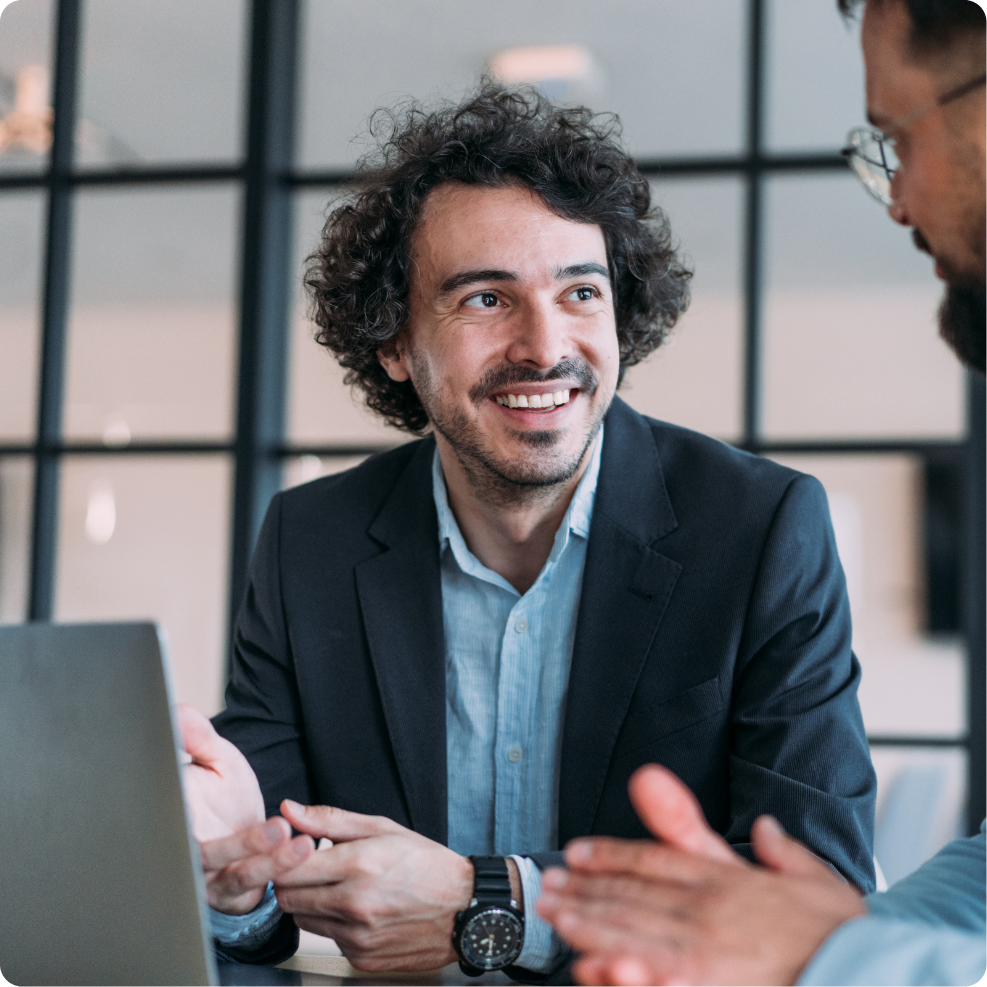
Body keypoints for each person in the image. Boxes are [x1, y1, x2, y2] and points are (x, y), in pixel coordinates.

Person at [179, 84, 877, 980]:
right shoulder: (308, 537)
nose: (545, 346)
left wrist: (492, 901)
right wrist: (236, 875)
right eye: (483, 300)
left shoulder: (761, 527)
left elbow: (815, 887)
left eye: (580, 292)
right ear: (393, 341)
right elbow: (271, 886)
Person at [536, 2, 987, 986]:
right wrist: (773, 934)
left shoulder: (764, 521)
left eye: (898, 137)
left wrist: (834, 954)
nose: (898, 199)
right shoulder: (315, 535)